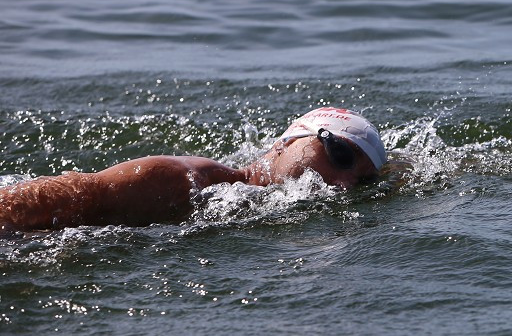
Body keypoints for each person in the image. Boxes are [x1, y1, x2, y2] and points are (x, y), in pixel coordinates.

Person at [0, 107, 387, 232]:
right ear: (287, 140)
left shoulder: (257, 210)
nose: (347, 182)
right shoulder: (181, 179)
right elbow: (60, 195)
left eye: (363, 180)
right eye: (339, 154)